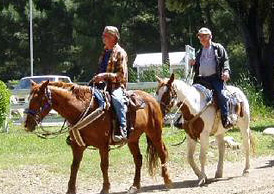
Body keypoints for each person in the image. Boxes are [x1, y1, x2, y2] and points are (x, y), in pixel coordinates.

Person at [190, 27, 232, 128]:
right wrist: (193, 63)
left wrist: (226, 71)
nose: (202, 38)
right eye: (200, 36)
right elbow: (197, 66)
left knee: (222, 95)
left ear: (210, 36)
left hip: (215, 78)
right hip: (201, 79)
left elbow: (225, 60)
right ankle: (187, 119)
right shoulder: (199, 52)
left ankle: (225, 118)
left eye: (205, 36)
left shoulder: (218, 48)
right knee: (189, 95)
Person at [92, 26, 128, 142]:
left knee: (117, 100)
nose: (103, 37)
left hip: (115, 86)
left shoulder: (120, 53)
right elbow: (99, 69)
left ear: (114, 37)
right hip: (100, 85)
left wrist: (104, 76)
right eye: (103, 35)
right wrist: (97, 77)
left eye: (106, 35)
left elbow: (121, 75)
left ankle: (123, 129)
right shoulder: (104, 52)